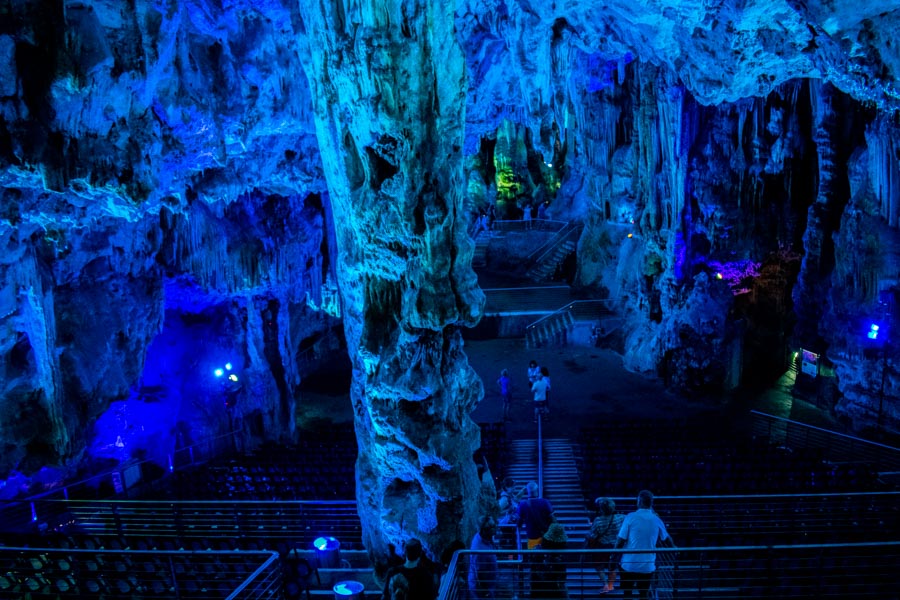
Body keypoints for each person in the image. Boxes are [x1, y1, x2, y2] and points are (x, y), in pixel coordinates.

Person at [614, 490, 674, 600]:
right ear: (651, 503)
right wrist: (675, 550)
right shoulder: (657, 519)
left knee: (627, 593)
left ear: (639, 501)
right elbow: (667, 539)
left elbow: (620, 540)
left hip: (629, 564)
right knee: (643, 594)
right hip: (647, 565)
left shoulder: (630, 517)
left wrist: (612, 556)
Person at [585, 497, 624, 593]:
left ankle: (606, 584)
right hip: (615, 546)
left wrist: (587, 537)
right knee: (613, 566)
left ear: (601, 509)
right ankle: (611, 586)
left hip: (602, 547)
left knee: (599, 566)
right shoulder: (620, 518)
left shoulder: (598, 520)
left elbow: (593, 535)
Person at [531, 522, 570, 598]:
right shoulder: (559, 556)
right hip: (554, 588)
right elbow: (562, 577)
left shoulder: (537, 550)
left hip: (538, 587)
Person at [516, 481, 555, 549]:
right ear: (537, 490)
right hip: (545, 537)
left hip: (532, 537)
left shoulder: (523, 504)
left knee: (533, 556)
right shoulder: (545, 502)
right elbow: (553, 519)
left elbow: (519, 523)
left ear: (527, 492)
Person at [468, 516, 499, 599]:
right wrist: (485, 591)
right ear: (485, 530)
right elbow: (479, 573)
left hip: (489, 582)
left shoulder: (484, 537)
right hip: (482, 587)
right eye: (492, 526)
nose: (495, 527)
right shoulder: (479, 550)